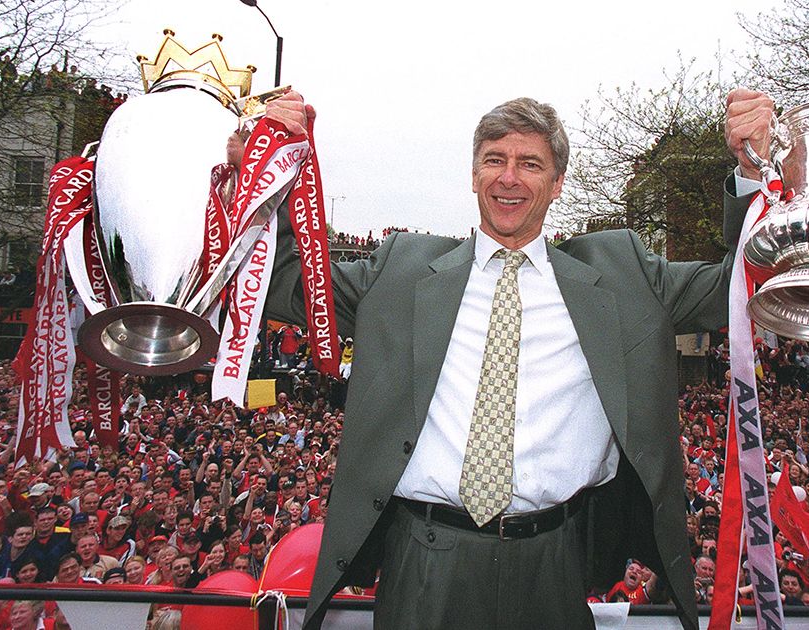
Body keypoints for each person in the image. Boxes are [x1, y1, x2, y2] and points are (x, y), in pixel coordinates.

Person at [262, 88, 772, 630]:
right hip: (425, 561)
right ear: (474, 174)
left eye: (530, 164)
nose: (509, 178)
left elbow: (738, 291)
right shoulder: (402, 270)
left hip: (556, 563)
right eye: (494, 161)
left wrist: (750, 174)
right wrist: (266, 175)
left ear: (556, 184)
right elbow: (285, 285)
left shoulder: (622, 274)